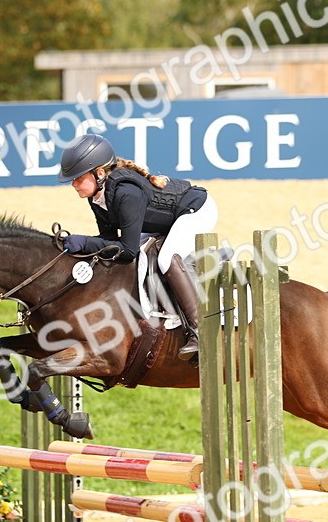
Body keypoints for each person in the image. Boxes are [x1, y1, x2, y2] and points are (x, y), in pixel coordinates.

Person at [56, 133, 217, 357]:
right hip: (168, 219)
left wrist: (83, 241)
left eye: (77, 177)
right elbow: (110, 243)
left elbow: (127, 251)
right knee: (143, 255)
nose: (73, 184)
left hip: (197, 210)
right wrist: (86, 245)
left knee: (166, 257)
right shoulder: (96, 197)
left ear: (99, 173)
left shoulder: (126, 193)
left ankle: (200, 330)